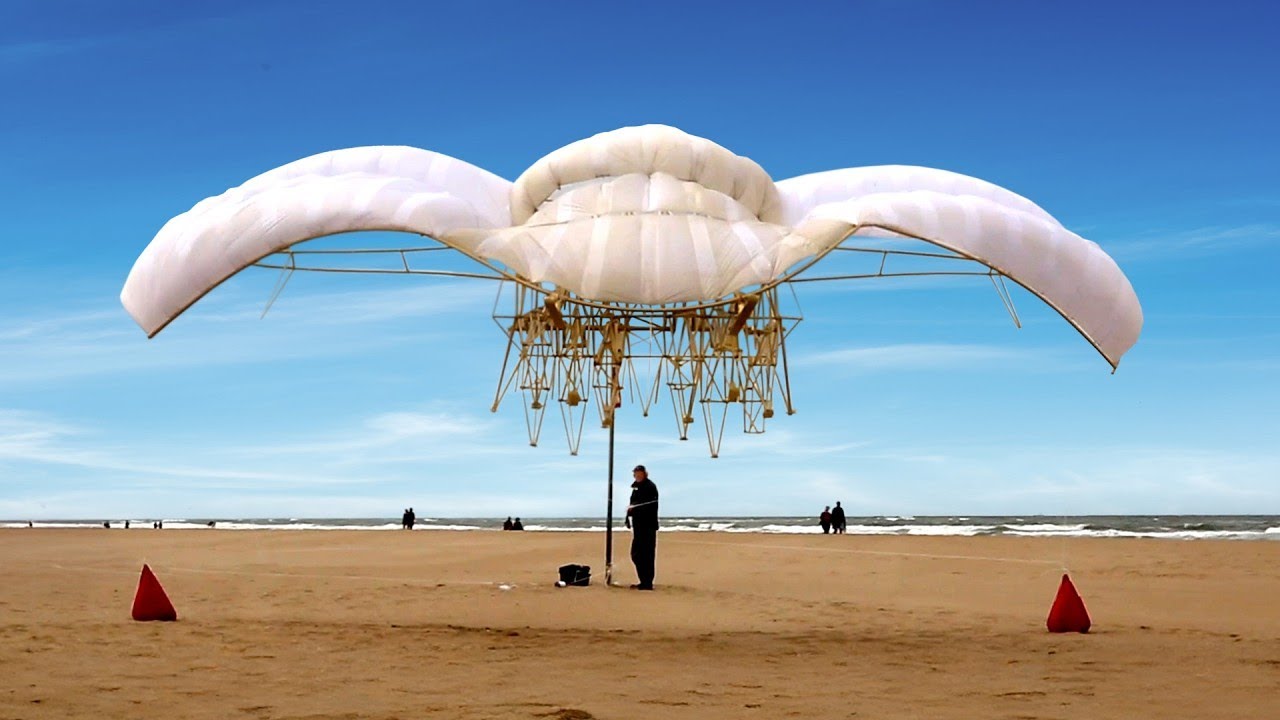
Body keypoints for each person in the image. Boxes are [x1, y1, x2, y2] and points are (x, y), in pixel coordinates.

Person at [625, 464, 659, 590]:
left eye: (640, 474)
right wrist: (629, 513)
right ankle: (643, 581)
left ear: (644, 474)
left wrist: (634, 509)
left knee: (646, 555)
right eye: (636, 474)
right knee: (636, 554)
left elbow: (649, 505)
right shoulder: (636, 487)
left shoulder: (650, 486)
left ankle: (647, 583)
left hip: (648, 526)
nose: (637, 476)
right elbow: (634, 504)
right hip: (638, 526)